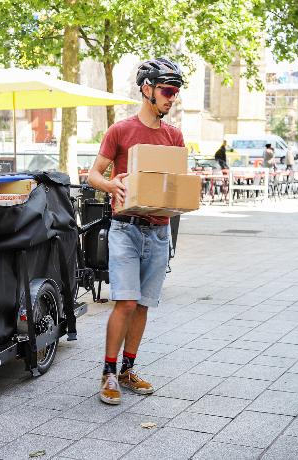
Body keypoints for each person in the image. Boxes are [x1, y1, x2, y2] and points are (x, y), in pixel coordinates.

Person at [87, 57, 184, 405]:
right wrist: (111, 185)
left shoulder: (174, 136)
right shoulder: (121, 131)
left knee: (142, 305)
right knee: (125, 302)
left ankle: (128, 369)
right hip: (125, 229)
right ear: (147, 89)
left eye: (175, 92)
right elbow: (93, 174)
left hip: (159, 231)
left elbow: (174, 184)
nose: (172, 98)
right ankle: (108, 373)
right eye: (167, 91)